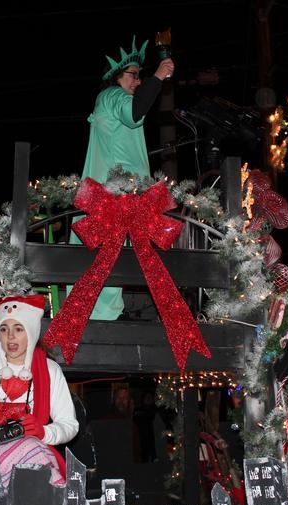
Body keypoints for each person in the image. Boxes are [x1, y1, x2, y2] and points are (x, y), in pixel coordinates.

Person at [68, 36, 175, 320]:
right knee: (103, 263)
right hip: (110, 199)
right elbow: (134, 110)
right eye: (133, 75)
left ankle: (104, 319)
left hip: (123, 200)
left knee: (113, 264)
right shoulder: (111, 96)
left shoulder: (118, 101)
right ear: (115, 77)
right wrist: (158, 76)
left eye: (140, 76)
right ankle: (92, 322)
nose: (138, 81)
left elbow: (135, 111)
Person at [0, 294, 79, 482]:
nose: (10, 337)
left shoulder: (50, 370)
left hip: (31, 456)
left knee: (31, 448)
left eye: (18, 329)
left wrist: (44, 432)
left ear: (31, 332)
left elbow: (69, 425)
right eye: (4, 329)